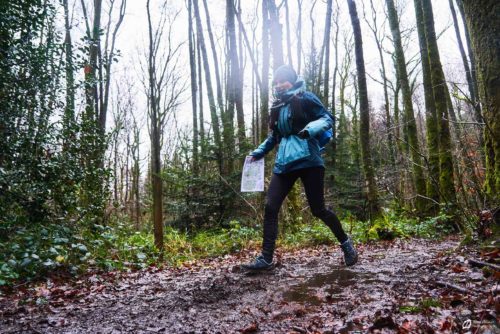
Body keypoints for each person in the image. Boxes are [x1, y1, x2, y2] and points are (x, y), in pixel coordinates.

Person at [241, 65, 358, 272]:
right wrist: (257, 153)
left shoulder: (306, 98)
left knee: (318, 209)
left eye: (283, 81)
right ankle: (266, 259)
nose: (279, 85)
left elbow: (327, 118)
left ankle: (346, 244)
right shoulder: (277, 106)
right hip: (283, 164)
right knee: (270, 207)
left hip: (309, 161)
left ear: (293, 81)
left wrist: (310, 129)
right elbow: (275, 137)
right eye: (276, 82)